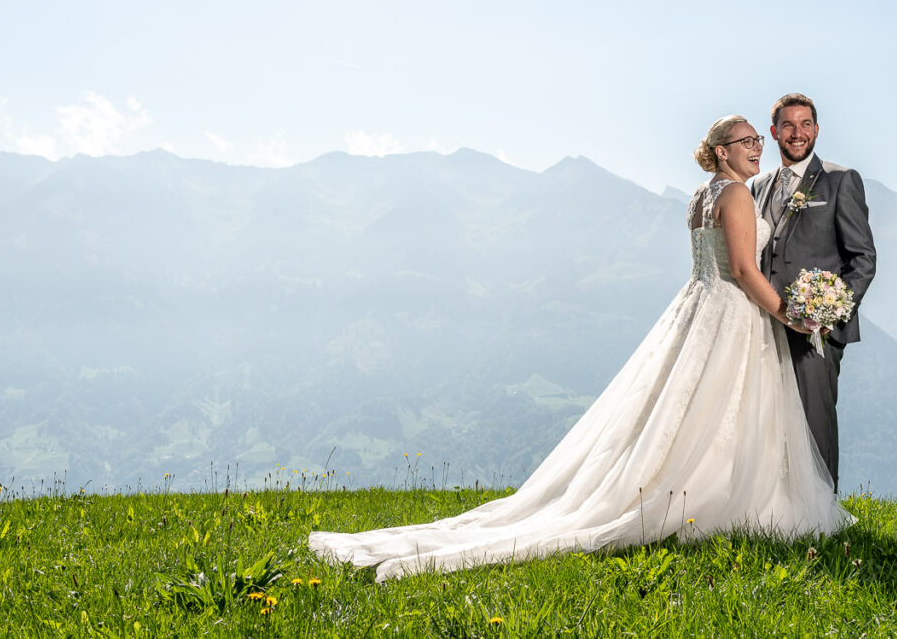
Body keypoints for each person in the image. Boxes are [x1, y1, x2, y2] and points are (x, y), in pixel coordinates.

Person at [309, 116, 852, 582]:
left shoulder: (700, 196)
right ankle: (720, 498)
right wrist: (792, 314)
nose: (757, 146)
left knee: (690, 410)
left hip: (698, 306)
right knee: (725, 410)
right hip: (733, 313)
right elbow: (739, 269)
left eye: (759, 137)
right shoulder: (734, 194)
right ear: (719, 153)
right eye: (746, 140)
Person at [751, 94, 876, 492]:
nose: (797, 133)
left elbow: (863, 259)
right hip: (764, 324)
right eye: (788, 126)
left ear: (817, 129)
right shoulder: (757, 186)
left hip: (816, 332)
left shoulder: (841, 180)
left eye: (805, 124)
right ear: (774, 133)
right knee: (767, 421)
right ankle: (775, 510)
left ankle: (822, 516)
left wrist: (829, 312)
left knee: (814, 423)